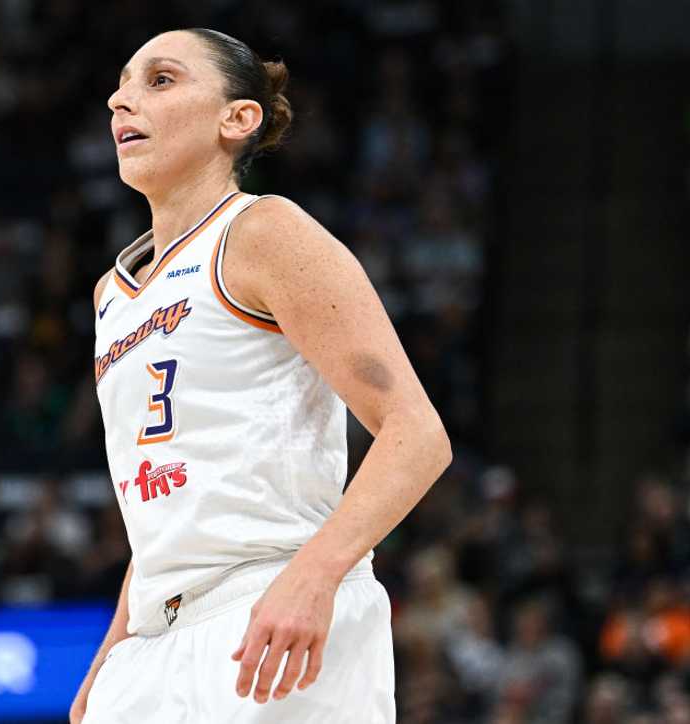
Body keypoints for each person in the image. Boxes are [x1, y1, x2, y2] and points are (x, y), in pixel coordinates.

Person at [73, 28, 452, 723]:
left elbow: (417, 434)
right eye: (122, 84)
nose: (120, 100)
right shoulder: (111, 294)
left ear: (237, 118)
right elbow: (170, 503)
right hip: (152, 641)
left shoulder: (263, 232)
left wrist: (316, 574)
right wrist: (112, 650)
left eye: (160, 80)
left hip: (270, 602)